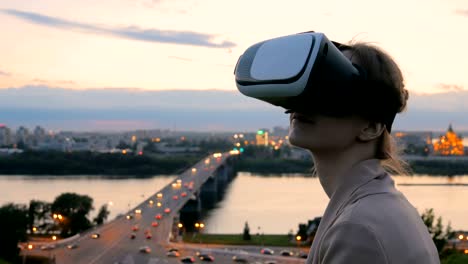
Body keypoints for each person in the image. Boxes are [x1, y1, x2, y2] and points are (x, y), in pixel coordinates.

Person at [288, 42, 440, 263]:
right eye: (307, 85)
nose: (305, 101)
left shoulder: (357, 229)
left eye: (331, 90)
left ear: (371, 127)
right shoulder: (380, 207)